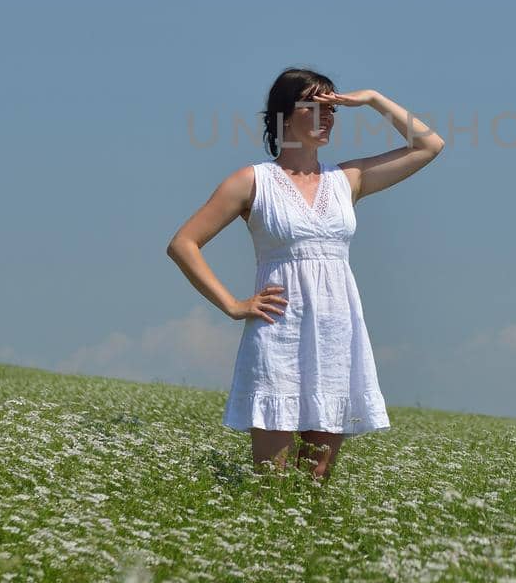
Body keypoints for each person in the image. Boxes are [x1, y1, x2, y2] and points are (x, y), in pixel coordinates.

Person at [166, 68, 444, 480]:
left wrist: (372, 98)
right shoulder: (252, 181)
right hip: (278, 333)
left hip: (335, 338)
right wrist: (232, 304)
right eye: (314, 106)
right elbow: (183, 243)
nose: (327, 116)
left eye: (332, 108)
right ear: (284, 115)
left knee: (314, 485)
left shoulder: (347, 179)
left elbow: (429, 144)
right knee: (272, 483)